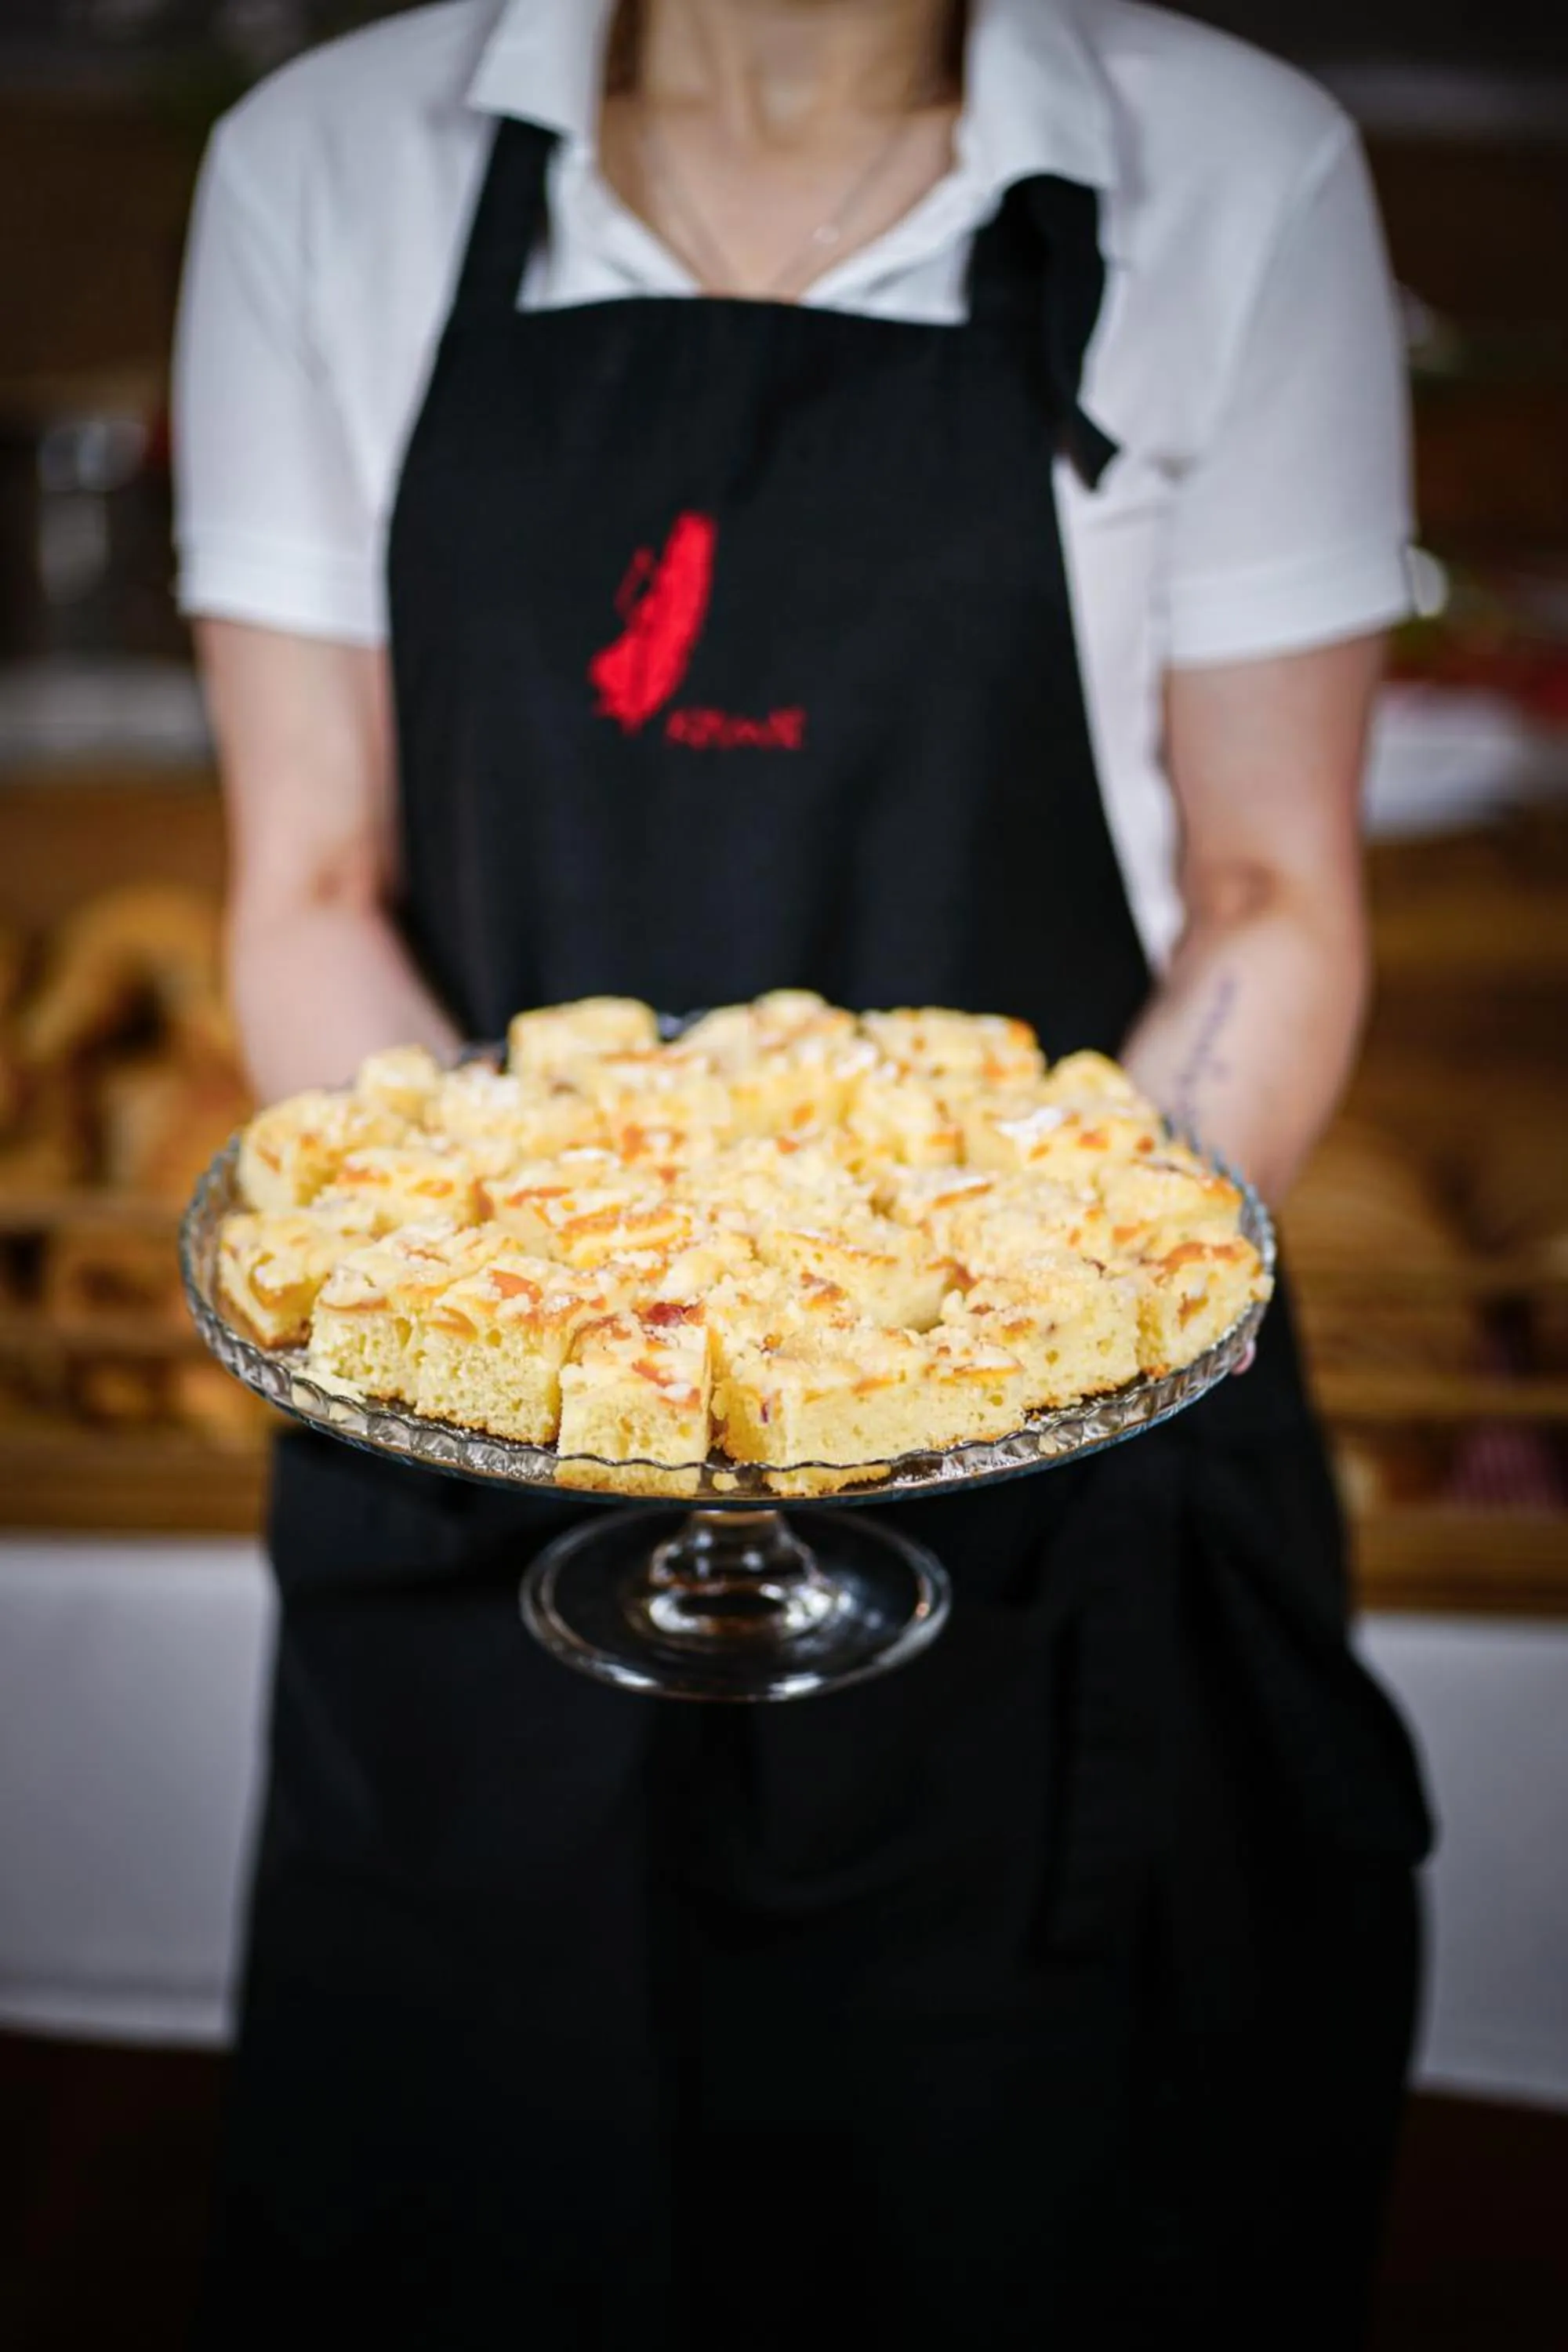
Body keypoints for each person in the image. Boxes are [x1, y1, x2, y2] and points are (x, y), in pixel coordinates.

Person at [174, 0, 1432, 2343]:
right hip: (480, 1533)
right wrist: (565, 1320)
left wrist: (995, 1320)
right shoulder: (325, 168)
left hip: (1057, 1553)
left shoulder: (1235, 174)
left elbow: (1276, 902)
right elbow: (307, 878)